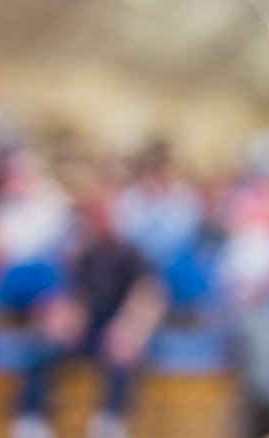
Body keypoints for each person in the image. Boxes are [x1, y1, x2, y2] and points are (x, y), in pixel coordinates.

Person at [13, 163, 166, 438]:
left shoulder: (134, 254)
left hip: (119, 329)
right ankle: (31, 419)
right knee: (41, 345)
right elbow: (70, 295)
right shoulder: (83, 253)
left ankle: (111, 421)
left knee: (122, 352)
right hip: (89, 329)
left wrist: (131, 327)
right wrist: (64, 315)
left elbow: (150, 294)